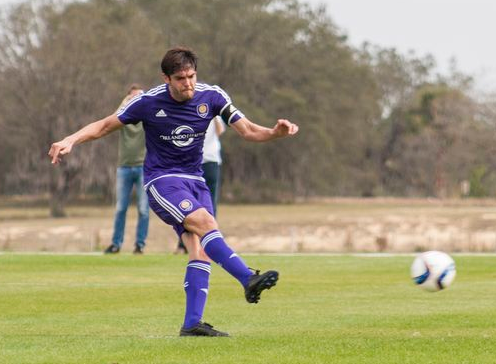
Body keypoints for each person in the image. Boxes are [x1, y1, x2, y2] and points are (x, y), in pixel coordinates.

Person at [49, 46, 299, 337]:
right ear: (166, 78)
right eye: (180, 78)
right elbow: (105, 125)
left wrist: (274, 133)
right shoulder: (147, 101)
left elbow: (249, 131)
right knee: (206, 225)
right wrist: (71, 139)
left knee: (201, 247)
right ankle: (247, 278)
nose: (188, 83)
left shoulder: (213, 96)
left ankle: (192, 323)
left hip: (196, 179)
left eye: (191, 76)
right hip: (161, 180)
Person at [105, 84, 149, 255]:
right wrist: (125, 102)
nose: (136, 99)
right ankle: (116, 244)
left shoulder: (145, 118)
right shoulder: (124, 119)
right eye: (133, 97)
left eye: (140, 96)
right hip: (124, 167)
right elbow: (111, 120)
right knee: (120, 208)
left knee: (143, 209)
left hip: (143, 168)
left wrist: (141, 99)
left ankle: (140, 245)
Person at [175, 116, 225, 254]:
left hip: (211, 161)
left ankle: (209, 243)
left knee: (210, 204)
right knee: (187, 205)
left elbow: (220, 131)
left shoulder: (214, 109)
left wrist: (214, 116)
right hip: (191, 162)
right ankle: (184, 244)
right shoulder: (187, 111)